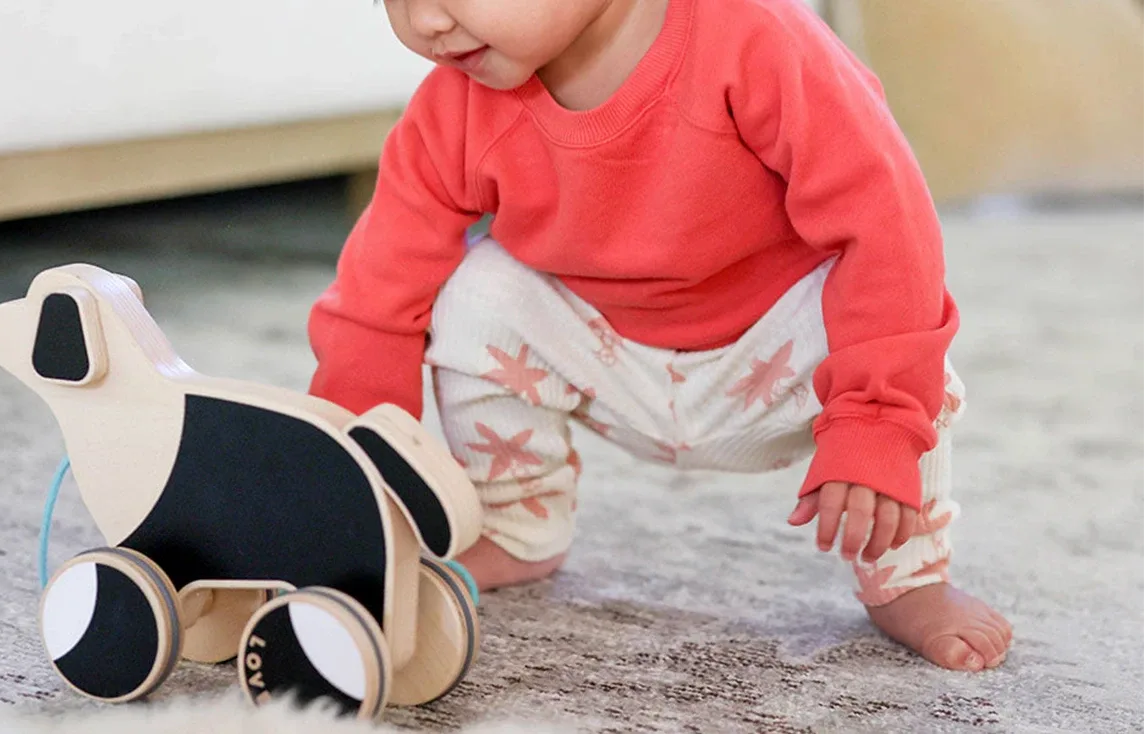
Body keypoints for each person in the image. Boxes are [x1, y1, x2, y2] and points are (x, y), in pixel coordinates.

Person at [305, 0, 1012, 672]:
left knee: (901, 332)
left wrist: (876, 417)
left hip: (777, 361)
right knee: (475, 291)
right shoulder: (453, 108)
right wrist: (349, 467)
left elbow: (885, 224)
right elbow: (377, 294)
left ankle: (907, 578)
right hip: (607, 360)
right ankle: (517, 524)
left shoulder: (757, 39)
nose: (424, 20)